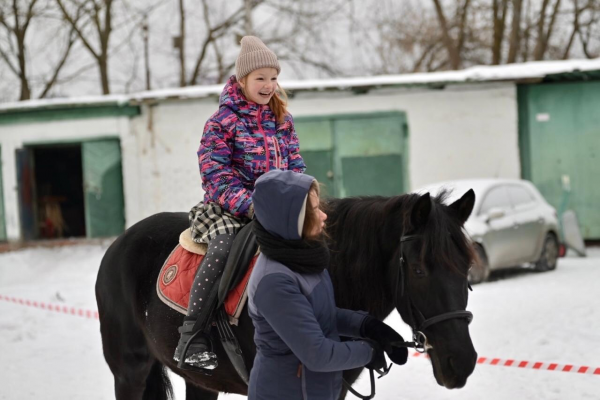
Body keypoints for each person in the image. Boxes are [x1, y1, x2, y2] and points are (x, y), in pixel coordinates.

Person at [174, 36, 306, 369]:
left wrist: (303, 200)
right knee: (224, 245)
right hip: (228, 209)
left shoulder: (283, 122)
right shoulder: (222, 122)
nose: (268, 85)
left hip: (276, 211)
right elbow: (215, 175)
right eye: (260, 78)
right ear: (242, 80)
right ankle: (192, 334)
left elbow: (295, 167)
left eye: (273, 78)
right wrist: (249, 205)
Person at [247, 170, 408, 400]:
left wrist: (367, 326)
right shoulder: (275, 281)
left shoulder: (303, 259)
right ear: (290, 219)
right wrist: (369, 351)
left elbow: (319, 315)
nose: (323, 216)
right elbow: (317, 354)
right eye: (314, 210)